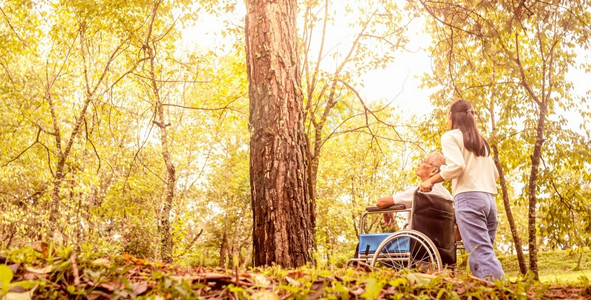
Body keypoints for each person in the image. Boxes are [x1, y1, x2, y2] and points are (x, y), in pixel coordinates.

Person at [419, 99, 504, 281]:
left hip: (469, 198)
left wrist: (431, 181)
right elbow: (494, 174)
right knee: (483, 254)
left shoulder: (450, 136)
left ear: (450, 116)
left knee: (481, 254)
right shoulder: (481, 141)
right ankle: (488, 292)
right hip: (489, 200)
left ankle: (502, 293)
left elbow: (457, 166)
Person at [377, 152, 453, 226]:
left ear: (434, 171)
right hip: (439, 239)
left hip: (415, 237)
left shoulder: (420, 192)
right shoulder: (449, 198)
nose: (419, 164)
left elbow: (380, 203)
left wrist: (388, 208)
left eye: (424, 161)